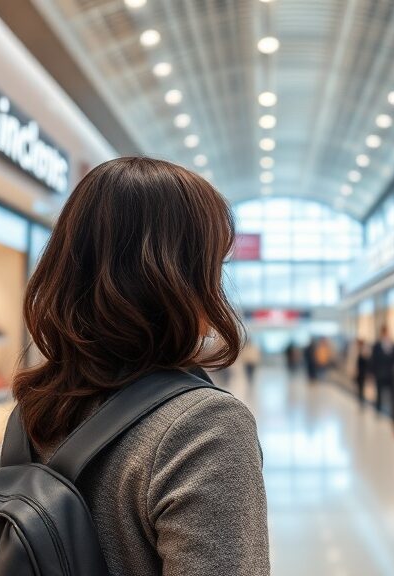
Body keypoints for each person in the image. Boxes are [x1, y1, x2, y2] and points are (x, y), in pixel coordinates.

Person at [13, 157, 270, 575]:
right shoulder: (205, 425)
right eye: (212, 267)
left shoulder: (36, 407)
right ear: (174, 277)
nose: (217, 287)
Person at [371, 325, 394, 413]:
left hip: (391, 374)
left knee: (392, 394)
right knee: (379, 393)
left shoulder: (393, 345)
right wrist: (373, 373)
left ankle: (392, 410)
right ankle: (378, 410)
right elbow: (373, 360)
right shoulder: (377, 345)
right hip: (380, 374)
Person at [355, 339, 371, 404]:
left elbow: (366, 363)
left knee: (362, 386)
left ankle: (361, 398)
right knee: (359, 386)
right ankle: (359, 397)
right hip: (359, 372)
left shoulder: (364, 352)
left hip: (362, 372)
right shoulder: (357, 351)